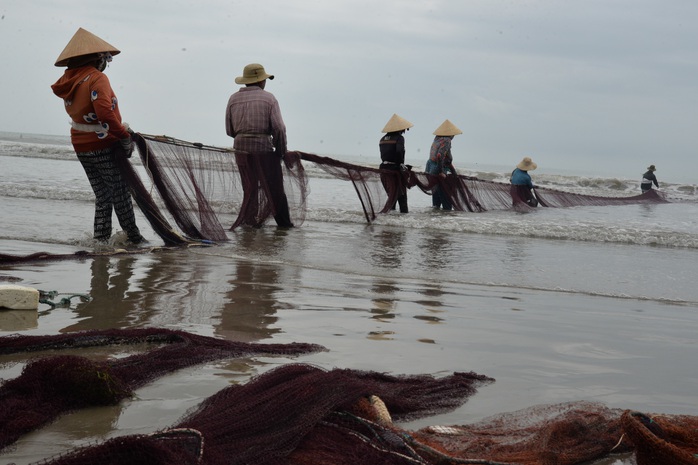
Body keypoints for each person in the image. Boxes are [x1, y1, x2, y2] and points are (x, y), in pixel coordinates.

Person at [51, 28, 145, 244]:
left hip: (81, 145)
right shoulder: (96, 78)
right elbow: (104, 113)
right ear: (97, 59)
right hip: (103, 145)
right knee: (120, 193)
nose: (106, 63)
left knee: (103, 195)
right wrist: (123, 136)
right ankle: (134, 238)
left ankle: (100, 240)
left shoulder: (69, 79)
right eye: (106, 58)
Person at [225, 63, 293, 228]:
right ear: (261, 81)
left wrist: (243, 135)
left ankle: (250, 223)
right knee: (274, 188)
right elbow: (279, 128)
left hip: (240, 147)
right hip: (263, 149)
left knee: (250, 188)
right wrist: (281, 151)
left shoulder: (233, 98)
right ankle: (283, 225)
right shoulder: (269, 98)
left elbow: (229, 130)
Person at [379, 114, 413, 213]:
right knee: (402, 198)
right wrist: (400, 164)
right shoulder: (399, 138)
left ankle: (390, 222)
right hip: (394, 171)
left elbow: (384, 155)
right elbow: (399, 152)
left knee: (392, 196)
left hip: (384, 170)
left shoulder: (382, 139)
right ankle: (402, 222)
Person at [425, 119, 462, 210]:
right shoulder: (447, 140)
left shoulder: (437, 138)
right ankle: (446, 220)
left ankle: (436, 220)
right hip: (438, 170)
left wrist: (454, 173)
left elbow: (446, 159)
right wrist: (441, 172)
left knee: (436, 203)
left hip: (430, 169)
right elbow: (440, 156)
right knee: (446, 201)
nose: (453, 136)